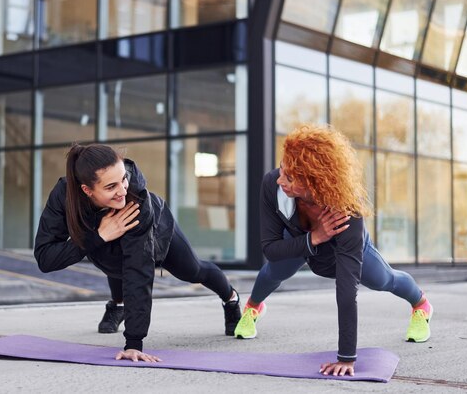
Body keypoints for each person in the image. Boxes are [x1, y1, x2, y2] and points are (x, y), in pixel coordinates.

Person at [233, 125, 433, 377]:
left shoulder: (347, 211)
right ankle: (253, 307)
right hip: (300, 241)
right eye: (282, 170)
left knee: (385, 280)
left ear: (315, 181)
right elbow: (271, 249)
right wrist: (314, 237)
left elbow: (347, 287)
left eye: (291, 178)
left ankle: (421, 305)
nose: (280, 180)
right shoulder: (272, 184)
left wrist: (346, 358)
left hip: (340, 251)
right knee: (274, 272)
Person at [34, 143, 241, 362]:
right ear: (87, 190)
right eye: (111, 186)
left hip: (157, 231)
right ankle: (118, 305)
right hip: (102, 240)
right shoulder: (63, 196)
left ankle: (231, 298)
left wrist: (134, 343)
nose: (122, 190)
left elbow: (138, 269)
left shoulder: (136, 201)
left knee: (193, 270)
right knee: (110, 257)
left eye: (123, 178)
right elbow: (46, 258)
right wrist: (99, 236)